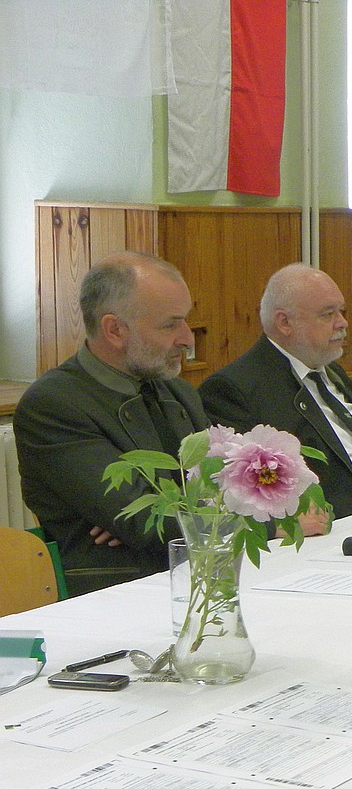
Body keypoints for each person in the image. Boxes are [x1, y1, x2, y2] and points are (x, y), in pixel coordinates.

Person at [14, 252, 209, 596]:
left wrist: (154, 511)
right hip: (113, 593)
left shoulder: (177, 392)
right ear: (115, 330)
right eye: (170, 324)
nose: (187, 338)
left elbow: (225, 485)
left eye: (185, 321)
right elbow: (144, 524)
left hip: (196, 574)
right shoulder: (53, 404)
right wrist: (262, 523)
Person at [200, 263, 352, 521]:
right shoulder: (234, 389)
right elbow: (239, 499)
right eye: (328, 314)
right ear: (285, 323)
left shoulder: (328, 371)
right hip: (336, 531)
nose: (343, 323)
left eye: (341, 311)